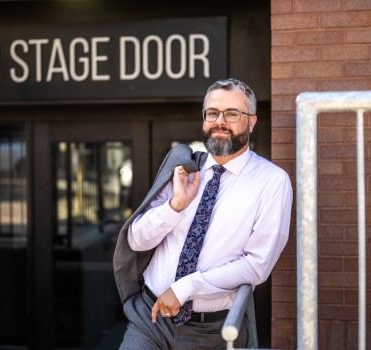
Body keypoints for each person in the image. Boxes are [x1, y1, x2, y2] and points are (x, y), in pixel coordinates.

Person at [113, 78, 293, 349]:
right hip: (149, 319)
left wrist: (186, 288)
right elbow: (136, 241)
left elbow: (257, 265)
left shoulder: (272, 182)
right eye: (212, 113)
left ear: (252, 122)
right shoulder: (183, 170)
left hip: (211, 332)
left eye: (231, 114)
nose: (219, 121)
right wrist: (174, 207)